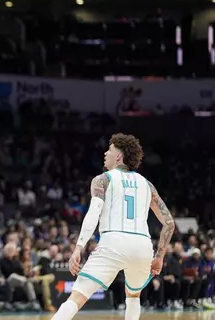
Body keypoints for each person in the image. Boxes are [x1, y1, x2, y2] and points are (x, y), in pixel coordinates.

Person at [51, 133, 176, 320]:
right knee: (133, 296)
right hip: (142, 246)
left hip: (114, 241)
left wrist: (78, 248)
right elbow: (169, 223)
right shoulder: (148, 185)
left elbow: (93, 213)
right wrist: (159, 257)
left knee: (76, 297)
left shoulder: (103, 179)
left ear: (118, 156)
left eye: (109, 150)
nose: (105, 153)